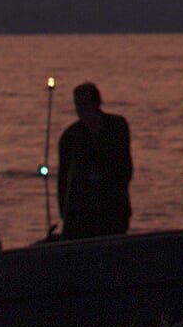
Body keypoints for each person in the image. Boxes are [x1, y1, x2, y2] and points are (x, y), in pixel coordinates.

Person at [55, 81, 134, 238]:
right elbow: (63, 179)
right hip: (80, 215)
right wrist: (65, 213)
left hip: (113, 209)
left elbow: (123, 168)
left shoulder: (116, 126)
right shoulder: (70, 136)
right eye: (78, 105)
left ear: (96, 103)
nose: (81, 110)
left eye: (85, 104)